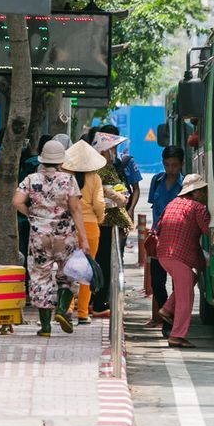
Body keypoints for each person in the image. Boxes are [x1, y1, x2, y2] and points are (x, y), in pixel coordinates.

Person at [12, 140, 91, 337]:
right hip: (65, 235)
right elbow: (76, 209)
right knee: (67, 274)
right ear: (60, 160)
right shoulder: (69, 180)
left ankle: (45, 327)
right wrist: (84, 238)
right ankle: (62, 311)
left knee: (40, 277)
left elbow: (16, 201)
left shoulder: (31, 179)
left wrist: (31, 213)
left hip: (40, 236)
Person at [156, 174, 211, 348]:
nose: (204, 193)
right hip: (178, 256)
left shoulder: (172, 204)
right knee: (186, 296)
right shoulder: (197, 207)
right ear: (195, 192)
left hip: (164, 255)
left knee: (190, 279)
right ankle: (177, 335)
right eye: (202, 190)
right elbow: (208, 231)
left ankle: (167, 309)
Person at [62, 140, 107, 325]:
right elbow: (99, 204)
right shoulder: (95, 178)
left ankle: (67, 308)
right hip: (89, 227)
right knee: (87, 270)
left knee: (68, 270)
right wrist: (100, 218)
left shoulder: (65, 177)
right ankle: (82, 312)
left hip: (68, 226)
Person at [91, 132, 134, 318]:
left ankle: (96, 301)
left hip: (101, 221)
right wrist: (120, 198)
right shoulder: (103, 169)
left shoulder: (98, 168)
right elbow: (106, 194)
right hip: (104, 222)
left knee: (101, 262)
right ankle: (99, 303)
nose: (114, 152)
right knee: (104, 263)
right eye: (112, 149)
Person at [144, 146, 185, 331]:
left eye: (175, 165)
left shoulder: (185, 185)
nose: (171, 169)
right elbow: (154, 205)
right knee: (157, 282)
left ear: (181, 165)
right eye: (167, 165)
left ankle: (173, 320)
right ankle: (165, 314)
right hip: (157, 238)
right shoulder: (157, 180)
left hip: (177, 239)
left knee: (178, 282)